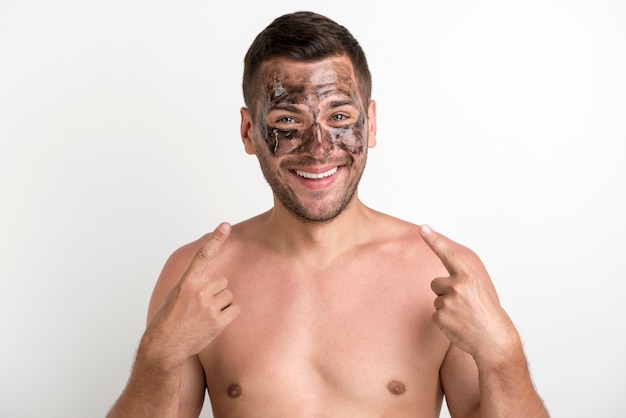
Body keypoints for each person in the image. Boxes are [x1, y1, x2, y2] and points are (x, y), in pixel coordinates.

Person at [107, 11, 549, 418]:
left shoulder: (441, 272)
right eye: (286, 122)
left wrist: (503, 356)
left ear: (370, 125)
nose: (318, 149)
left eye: (339, 116)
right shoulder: (197, 277)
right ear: (248, 132)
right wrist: (156, 359)